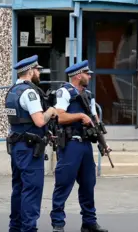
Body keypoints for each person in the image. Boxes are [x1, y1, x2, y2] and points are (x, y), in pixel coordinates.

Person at [50, 60, 109, 232]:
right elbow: (59, 117)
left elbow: (94, 120)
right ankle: (58, 223)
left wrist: (103, 143)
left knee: (88, 184)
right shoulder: (64, 92)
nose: (89, 76)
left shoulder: (88, 95)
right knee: (64, 183)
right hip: (70, 145)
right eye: (86, 74)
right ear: (77, 76)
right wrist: (80, 116)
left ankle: (89, 222)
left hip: (85, 146)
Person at [5, 55, 58, 232]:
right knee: (32, 190)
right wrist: (51, 110)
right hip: (29, 149)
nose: (39, 73)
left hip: (17, 147)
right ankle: (28, 228)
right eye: (37, 70)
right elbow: (39, 121)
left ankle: (15, 227)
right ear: (30, 71)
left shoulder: (13, 91)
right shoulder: (29, 92)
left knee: (18, 188)